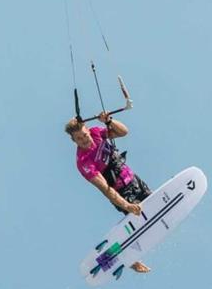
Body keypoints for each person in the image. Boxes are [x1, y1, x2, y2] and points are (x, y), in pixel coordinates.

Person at [65, 112, 152, 273]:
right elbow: (106, 189)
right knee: (138, 223)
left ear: (87, 129)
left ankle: (128, 250)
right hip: (121, 193)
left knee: (152, 209)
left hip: (134, 180)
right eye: (79, 139)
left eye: (84, 135)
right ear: (74, 141)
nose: (84, 140)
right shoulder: (83, 162)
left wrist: (109, 121)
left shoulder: (97, 132)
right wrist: (127, 205)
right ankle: (124, 256)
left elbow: (123, 132)